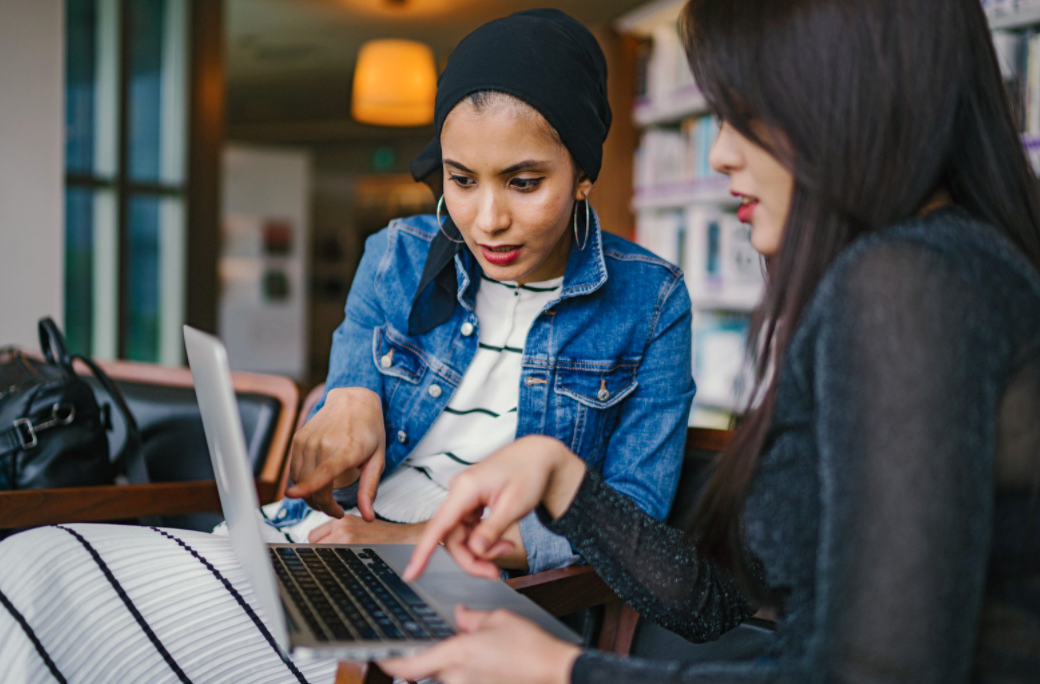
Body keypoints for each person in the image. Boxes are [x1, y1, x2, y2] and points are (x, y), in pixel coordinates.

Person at [0, 9, 696, 683]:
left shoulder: (652, 301)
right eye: (460, 180)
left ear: (583, 173)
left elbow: (627, 530)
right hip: (322, 544)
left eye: (524, 182)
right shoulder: (397, 255)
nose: (487, 219)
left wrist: (423, 546)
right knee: (33, 565)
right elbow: (336, 456)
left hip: (477, 594)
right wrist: (348, 396)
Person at [381, 0, 1040, 682]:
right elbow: (715, 610)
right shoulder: (944, 265)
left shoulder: (906, 285)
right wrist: (566, 481)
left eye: (743, 114)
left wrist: (562, 673)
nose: (721, 154)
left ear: (848, 94)